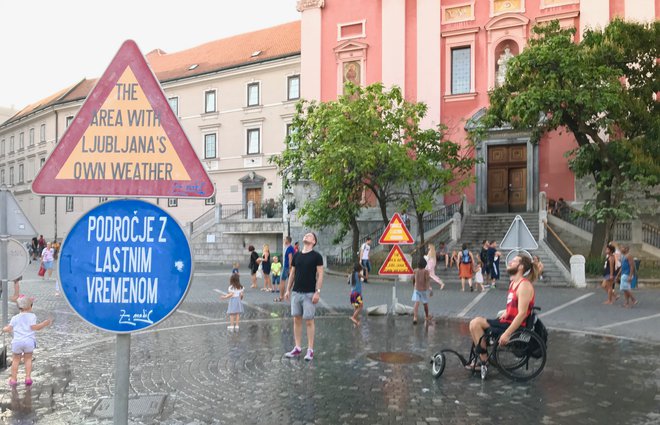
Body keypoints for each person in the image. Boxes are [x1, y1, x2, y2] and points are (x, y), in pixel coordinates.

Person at [468, 254, 538, 367]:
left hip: (513, 326)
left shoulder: (524, 285)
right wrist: (506, 311)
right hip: (506, 321)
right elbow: (514, 305)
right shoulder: (513, 284)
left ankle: (483, 361)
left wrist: (506, 334)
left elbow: (522, 314)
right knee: (473, 325)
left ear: (520, 267)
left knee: (476, 323)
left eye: (514, 261)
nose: (510, 262)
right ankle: (481, 358)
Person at [284, 232, 324, 361]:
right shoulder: (297, 255)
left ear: (314, 242)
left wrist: (317, 291)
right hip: (296, 292)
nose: (306, 236)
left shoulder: (317, 256)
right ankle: (297, 347)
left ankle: (310, 350)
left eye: (309, 236)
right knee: (296, 319)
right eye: (306, 235)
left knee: (309, 321)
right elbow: (292, 274)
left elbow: (320, 275)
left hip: (309, 293)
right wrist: (287, 290)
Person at [3, 296, 52, 386]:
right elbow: (35, 327)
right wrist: (44, 324)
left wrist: (4, 329)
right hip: (29, 341)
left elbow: (9, 328)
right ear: (30, 306)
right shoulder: (32, 316)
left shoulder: (15, 318)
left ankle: (13, 379)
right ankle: (28, 378)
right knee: (28, 359)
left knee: (16, 360)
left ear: (18, 307)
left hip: (17, 342)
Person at [412, 257, 433, 325]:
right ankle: (427, 316)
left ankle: (415, 317)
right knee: (425, 303)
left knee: (416, 303)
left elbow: (413, 279)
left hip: (416, 289)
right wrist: (429, 289)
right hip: (423, 289)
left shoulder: (415, 270)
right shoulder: (426, 271)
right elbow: (427, 281)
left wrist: (414, 284)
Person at [277, 237, 295, 303]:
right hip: (288, 267)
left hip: (287, 267)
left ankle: (281, 296)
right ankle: (288, 296)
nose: (284, 241)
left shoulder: (290, 248)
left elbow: (290, 258)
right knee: (292, 282)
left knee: (282, 281)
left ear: (287, 241)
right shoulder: (290, 248)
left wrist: (290, 268)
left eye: (284, 240)